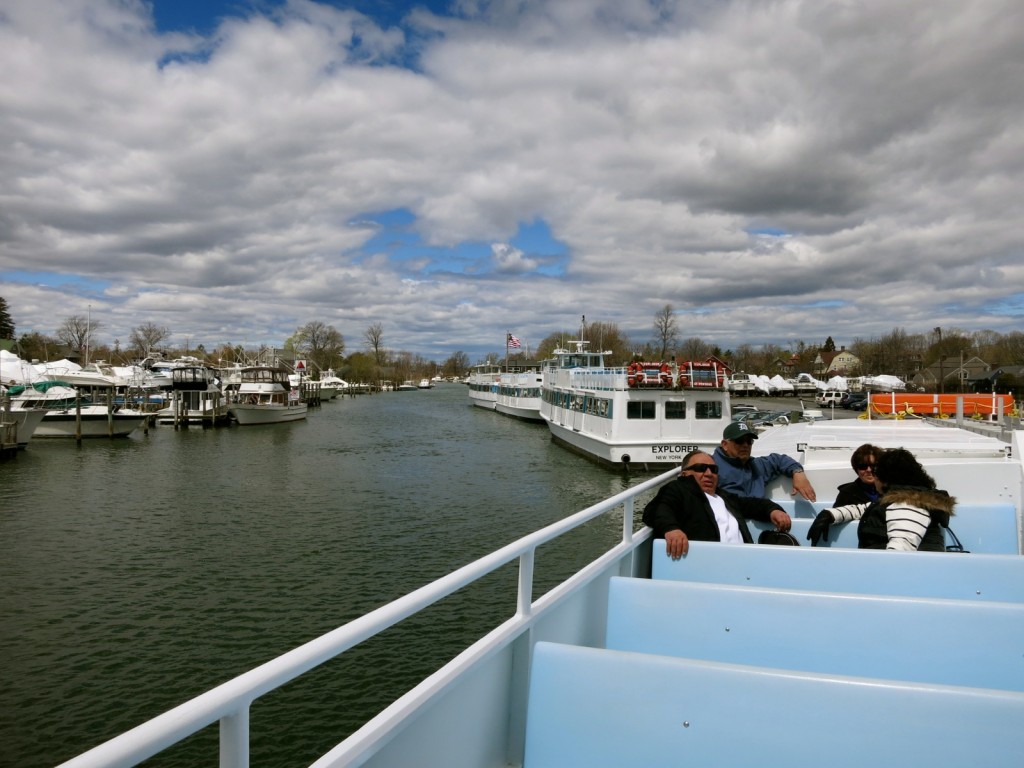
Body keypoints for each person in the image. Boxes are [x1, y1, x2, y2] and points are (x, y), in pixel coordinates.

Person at [643, 450, 792, 559]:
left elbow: (751, 504)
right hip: (710, 563)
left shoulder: (724, 496)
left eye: (713, 469)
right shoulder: (678, 489)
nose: (709, 473)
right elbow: (657, 508)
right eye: (701, 468)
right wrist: (671, 528)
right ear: (685, 474)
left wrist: (773, 510)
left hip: (745, 560)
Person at [806, 448, 955, 551]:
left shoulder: (906, 508)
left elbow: (899, 554)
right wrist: (830, 514)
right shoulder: (903, 500)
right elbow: (865, 508)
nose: (873, 476)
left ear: (887, 478)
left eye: (877, 472)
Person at [714, 422, 817, 501]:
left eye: (749, 441)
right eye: (739, 441)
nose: (745, 445)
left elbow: (779, 460)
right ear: (725, 445)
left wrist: (798, 472)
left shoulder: (756, 466)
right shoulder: (711, 468)